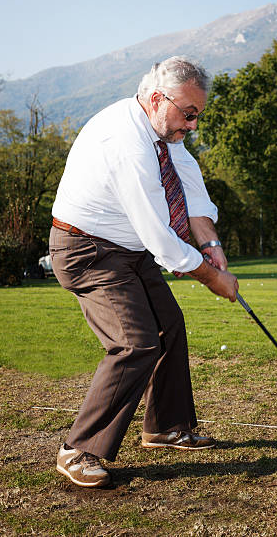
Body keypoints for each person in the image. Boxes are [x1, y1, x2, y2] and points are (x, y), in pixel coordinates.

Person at [50, 56, 239, 488]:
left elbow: (189, 185)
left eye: (198, 116)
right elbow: (159, 236)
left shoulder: (163, 132)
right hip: (87, 250)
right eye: (188, 115)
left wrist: (211, 246)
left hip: (127, 251)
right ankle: (78, 449)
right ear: (157, 99)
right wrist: (213, 279)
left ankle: (165, 427)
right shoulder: (125, 141)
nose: (192, 125)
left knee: (168, 325)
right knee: (134, 344)